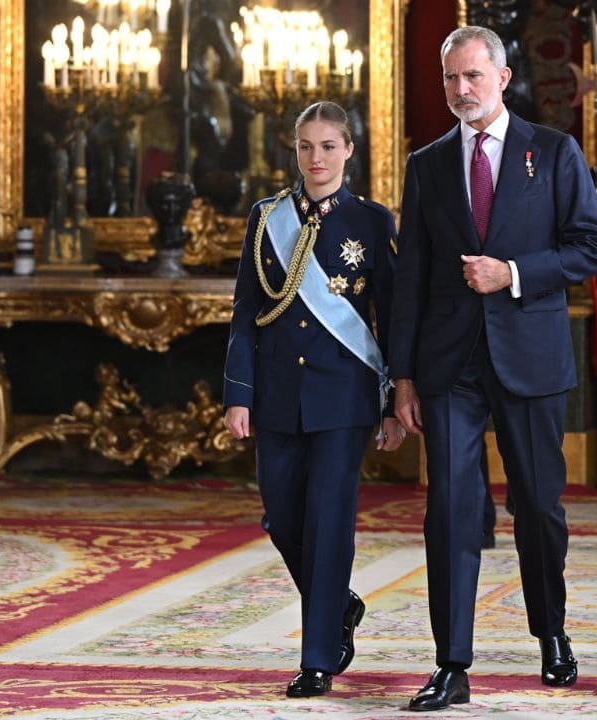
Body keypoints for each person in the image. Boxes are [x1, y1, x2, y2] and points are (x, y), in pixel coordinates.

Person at [388, 26, 597, 712]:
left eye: (473, 77)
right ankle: (451, 664)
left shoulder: (555, 151)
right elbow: (411, 279)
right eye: (451, 78)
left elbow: (588, 249)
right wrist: (401, 379)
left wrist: (512, 273)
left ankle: (551, 633)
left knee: (537, 507)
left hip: (531, 358)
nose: (461, 90)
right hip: (448, 367)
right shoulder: (426, 165)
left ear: (503, 77)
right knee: (450, 511)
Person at [222, 100, 403, 698]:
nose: (317, 158)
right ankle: (339, 603)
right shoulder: (266, 216)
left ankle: (317, 658)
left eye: (328, 146)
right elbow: (246, 313)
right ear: (294, 151)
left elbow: (390, 317)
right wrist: (238, 394)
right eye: (306, 147)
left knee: (329, 524)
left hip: (343, 398)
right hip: (276, 394)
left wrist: (392, 398)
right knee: (280, 516)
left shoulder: (372, 223)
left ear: (349, 150)